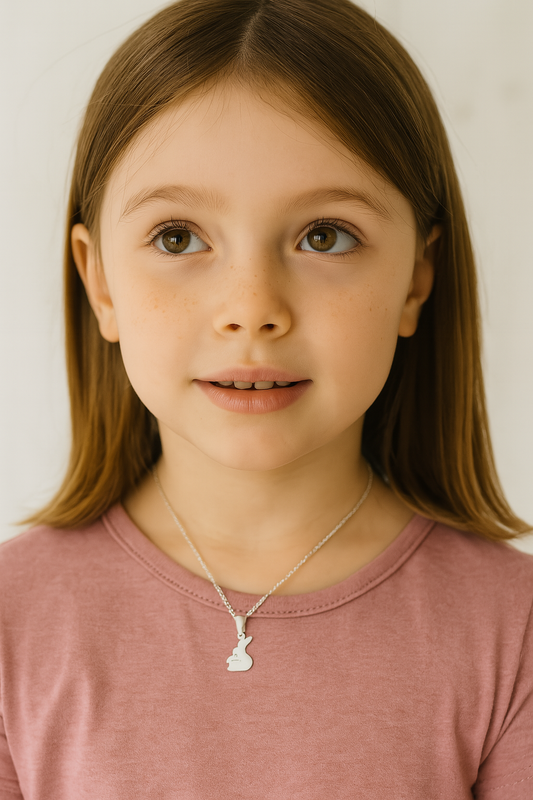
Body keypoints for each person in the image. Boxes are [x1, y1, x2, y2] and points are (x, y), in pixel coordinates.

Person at [1, 0, 532, 796]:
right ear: (99, 281)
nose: (251, 308)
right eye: (178, 237)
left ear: (416, 278)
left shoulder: (514, 632)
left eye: (324, 236)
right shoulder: (13, 622)